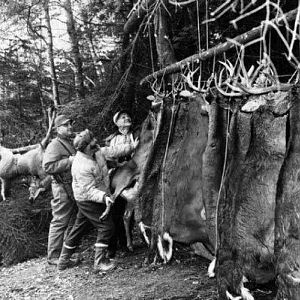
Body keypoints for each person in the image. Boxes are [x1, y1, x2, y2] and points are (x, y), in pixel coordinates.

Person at [57, 129, 115, 272]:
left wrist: (132, 147)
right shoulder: (82, 166)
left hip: (88, 196)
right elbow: (88, 191)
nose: (96, 141)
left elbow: (111, 151)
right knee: (106, 227)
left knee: (79, 228)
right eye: (93, 139)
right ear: (87, 146)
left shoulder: (93, 152)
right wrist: (104, 197)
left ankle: (63, 261)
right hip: (87, 199)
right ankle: (99, 262)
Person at [101, 111, 139, 257]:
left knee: (131, 211)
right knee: (116, 211)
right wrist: (117, 163)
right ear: (117, 122)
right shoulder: (113, 139)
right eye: (123, 117)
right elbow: (109, 156)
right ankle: (117, 245)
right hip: (118, 177)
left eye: (127, 116)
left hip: (136, 174)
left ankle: (129, 242)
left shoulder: (136, 135)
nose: (127, 117)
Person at [43, 114, 77, 266]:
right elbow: (48, 166)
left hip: (70, 186)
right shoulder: (54, 145)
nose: (70, 127)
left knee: (71, 221)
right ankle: (54, 256)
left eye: (70, 124)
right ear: (57, 129)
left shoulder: (68, 142)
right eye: (65, 125)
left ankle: (66, 254)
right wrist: (68, 161)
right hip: (61, 187)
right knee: (60, 221)